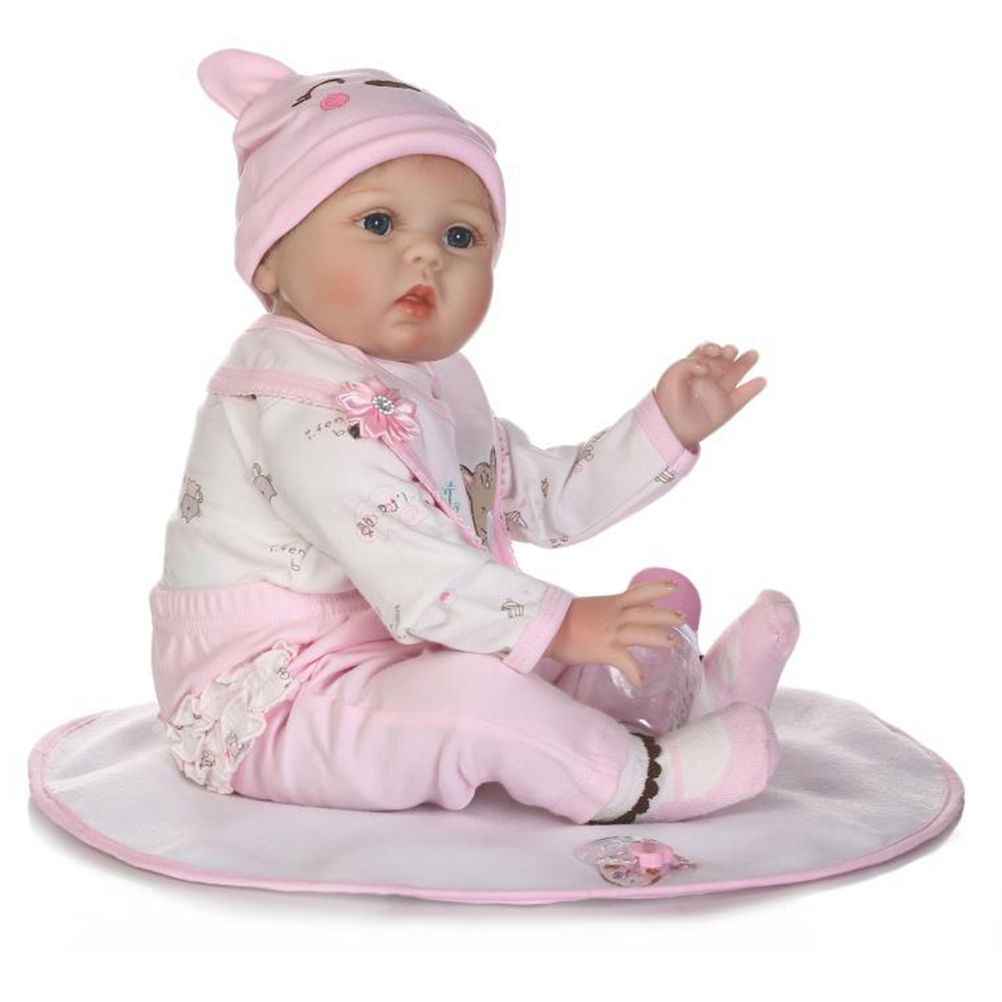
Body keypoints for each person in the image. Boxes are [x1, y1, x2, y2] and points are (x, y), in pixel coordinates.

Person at [151, 48, 800, 826]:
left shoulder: (425, 386)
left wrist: (663, 427)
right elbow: (419, 575)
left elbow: (537, 501)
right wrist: (566, 622)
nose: (426, 253)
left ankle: (680, 698)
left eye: (461, 236)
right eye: (378, 223)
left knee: (576, 634)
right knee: (478, 693)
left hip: (397, 649)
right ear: (270, 261)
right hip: (282, 698)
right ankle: (638, 779)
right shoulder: (295, 406)